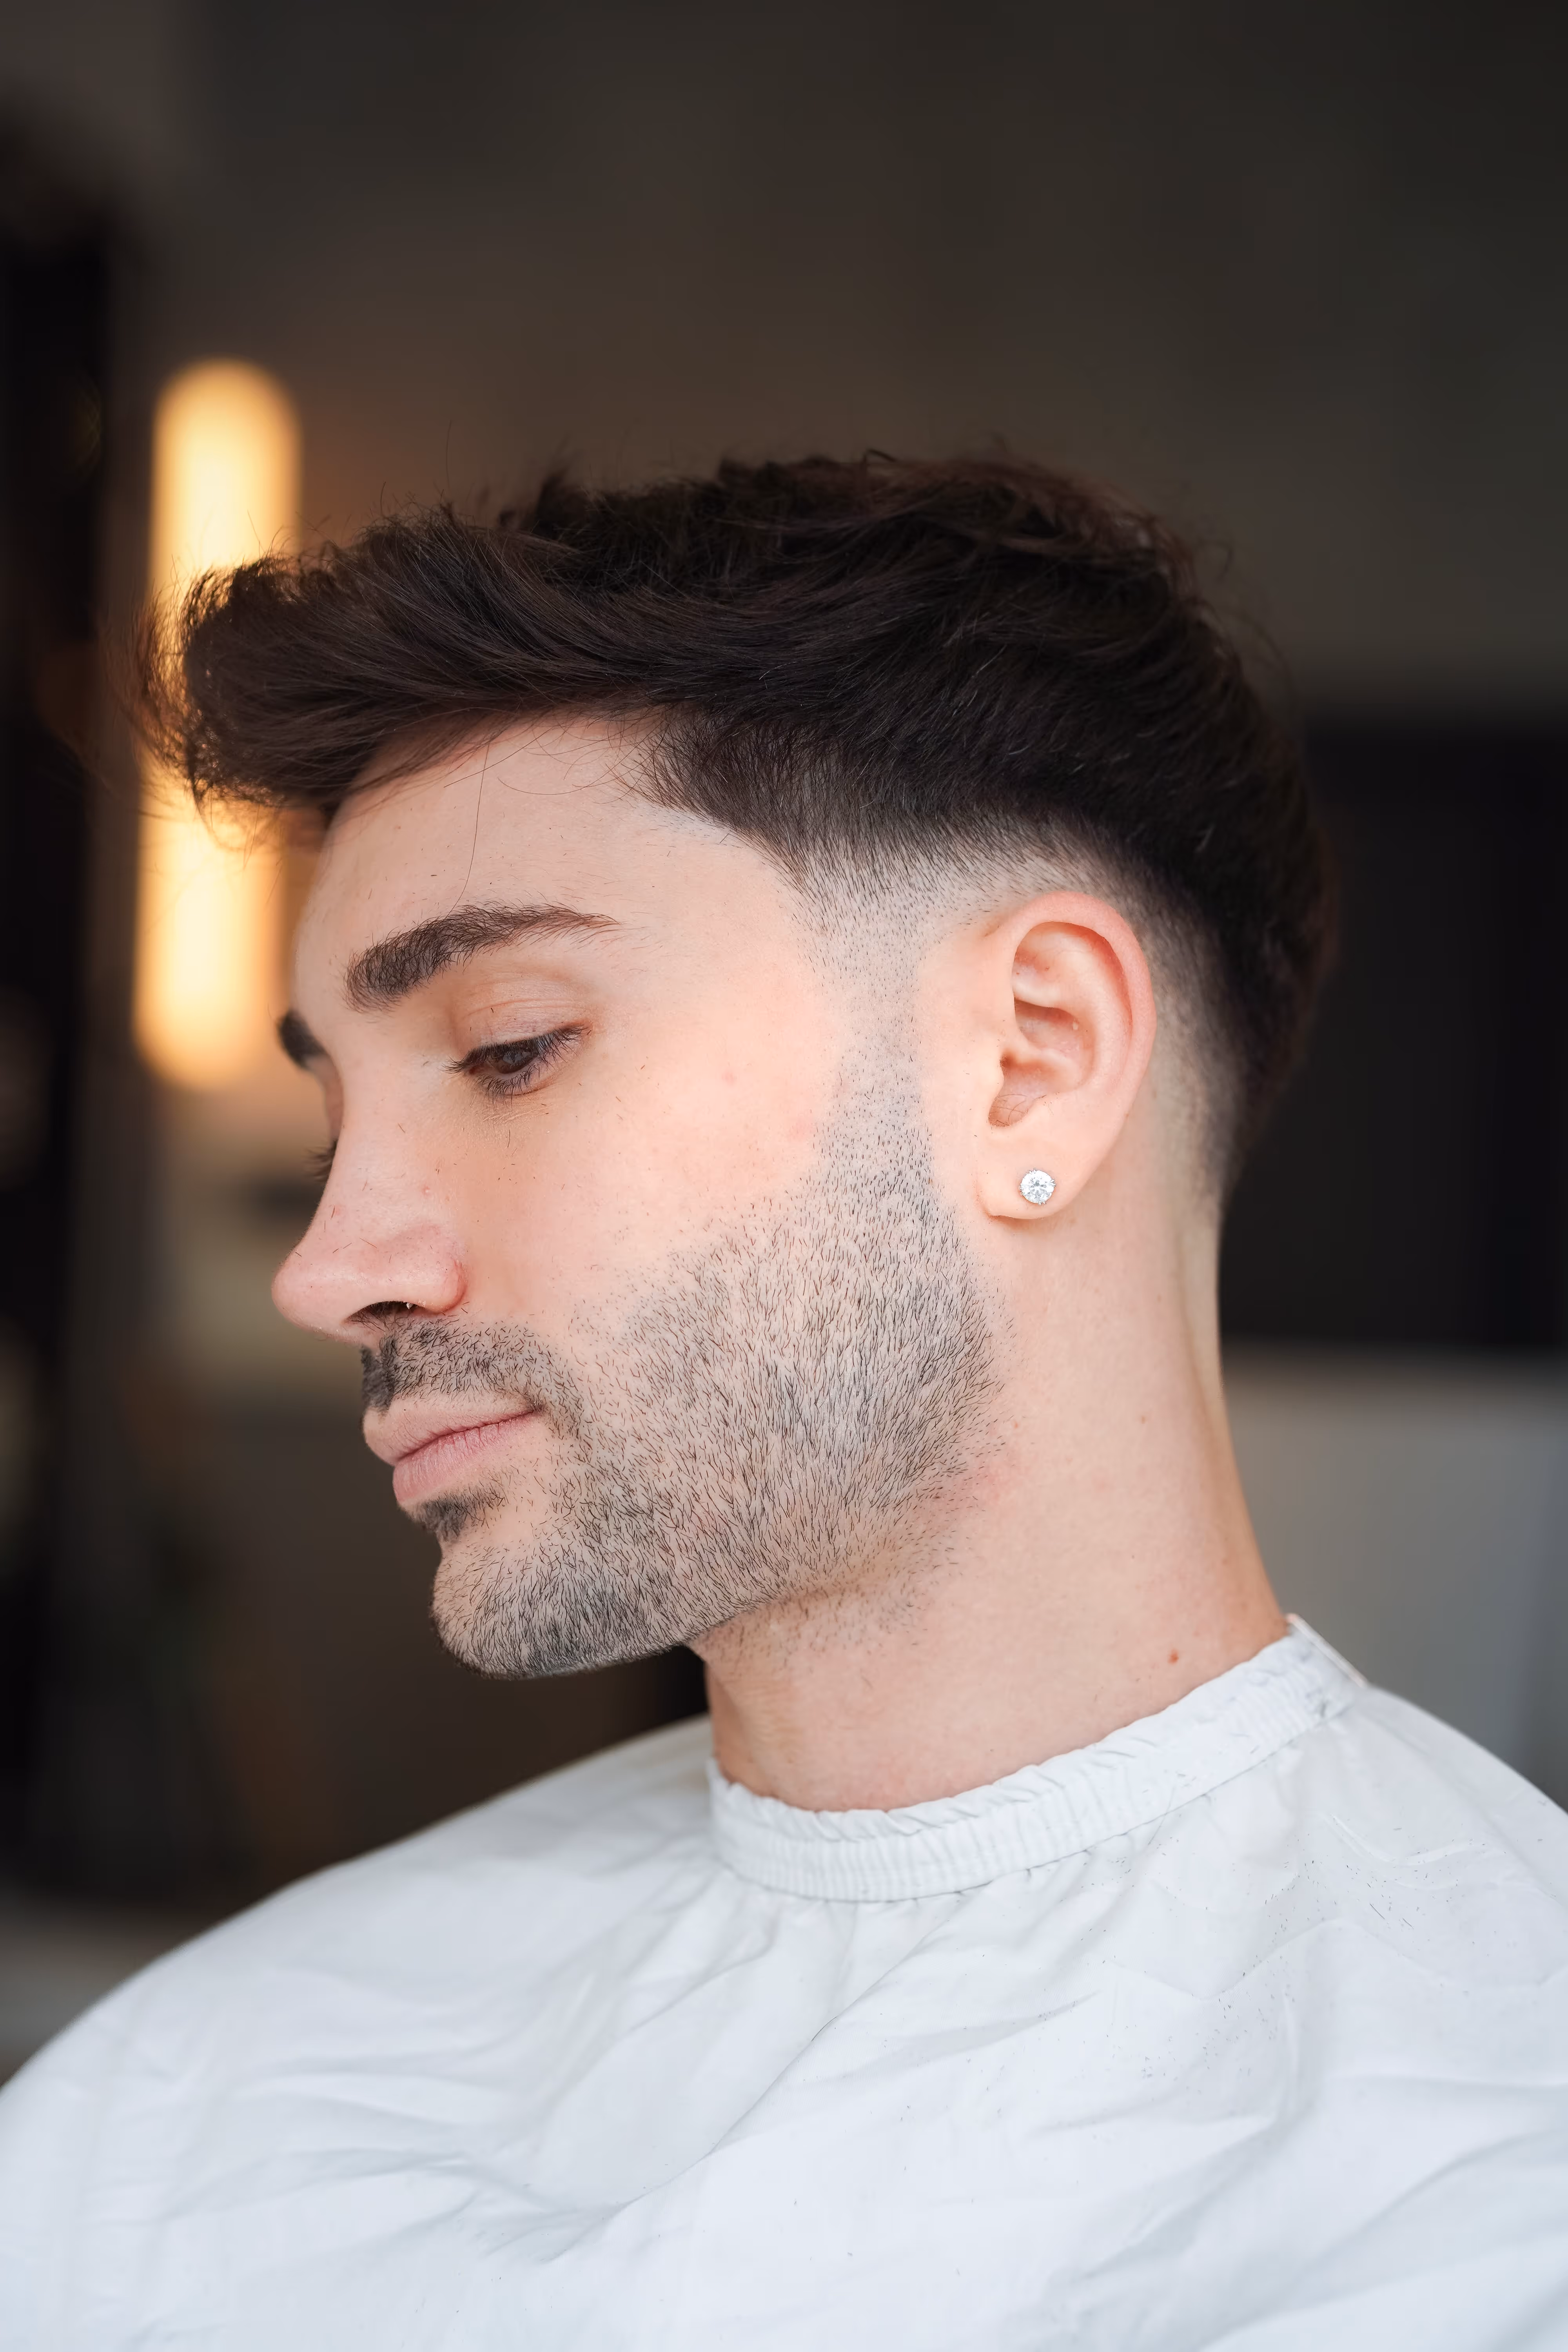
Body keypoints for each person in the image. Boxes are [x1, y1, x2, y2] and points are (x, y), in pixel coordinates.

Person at [3, 456, 1565, 2350]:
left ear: (1029, 1063)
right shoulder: (178, 2112)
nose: (331, 1270)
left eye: (508, 1050)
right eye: (341, 1114)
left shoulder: (1484, 2186)